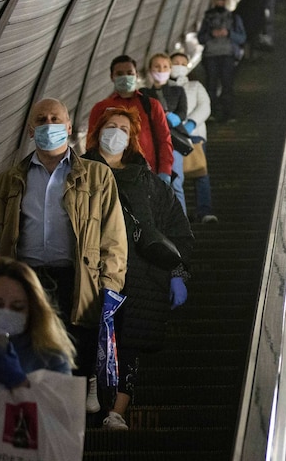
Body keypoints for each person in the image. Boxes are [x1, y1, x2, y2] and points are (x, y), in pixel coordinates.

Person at [0, 97, 126, 389]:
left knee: (73, 360)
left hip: (77, 281)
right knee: (25, 363)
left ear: (69, 126)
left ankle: (72, 421)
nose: (49, 125)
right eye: (41, 120)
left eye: (55, 119)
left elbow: (113, 239)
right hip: (24, 281)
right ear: (30, 129)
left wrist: (110, 286)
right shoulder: (8, 181)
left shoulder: (97, 177)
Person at [83, 106, 193, 430]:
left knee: (129, 341)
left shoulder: (149, 182)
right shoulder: (78, 173)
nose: (115, 132)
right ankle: (89, 394)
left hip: (141, 275)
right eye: (110, 126)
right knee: (90, 334)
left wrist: (178, 274)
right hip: (92, 271)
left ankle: (117, 411)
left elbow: (178, 229)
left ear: (132, 138)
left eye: (123, 128)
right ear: (98, 130)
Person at [0, 258, 78, 448]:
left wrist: (20, 383)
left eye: (17, 308)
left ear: (32, 311)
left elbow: (62, 433)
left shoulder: (52, 359)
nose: (5, 313)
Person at [88, 54, 174, 183]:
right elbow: (92, 142)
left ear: (136, 75)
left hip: (148, 173)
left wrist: (165, 171)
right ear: (112, 77)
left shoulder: (151, 105)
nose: (125, 77)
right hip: (110, 175)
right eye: (120, 73)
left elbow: (164, 139)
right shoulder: (101, 108)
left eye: (129, 73)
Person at [170, 52, 218, 223]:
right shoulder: (163, 88)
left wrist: (190, 124)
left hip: (194, 135)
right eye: (175, 62)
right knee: (174, 176)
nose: (179, 66)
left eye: (183, 63)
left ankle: (204, 210)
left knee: (200, 171)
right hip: (171, 137)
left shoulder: (195, 86)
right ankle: (176, 213)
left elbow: (205, 106)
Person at [141, 52, 190, 214]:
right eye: (157, 66)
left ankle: (181, 223)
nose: (161, 70)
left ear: (170, 69)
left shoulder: (178, 91)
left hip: (174, 141)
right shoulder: (143, 93)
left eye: (165, 67)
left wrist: (173, 118)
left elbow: (183, 113)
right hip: (152, 143)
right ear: (150, 69)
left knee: (175, 182)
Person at [198, 0, 247, 123]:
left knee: (227, 84)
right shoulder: (207, 18)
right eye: (218, 0)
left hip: (227, 54)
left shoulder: (234, 17)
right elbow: (200, 38)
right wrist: (211, 35)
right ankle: (211, 113)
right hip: (211, 55)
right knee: (211, 85)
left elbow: (242, 38)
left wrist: (229, 33)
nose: (220, 2)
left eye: (222, 0)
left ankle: (228, 112)